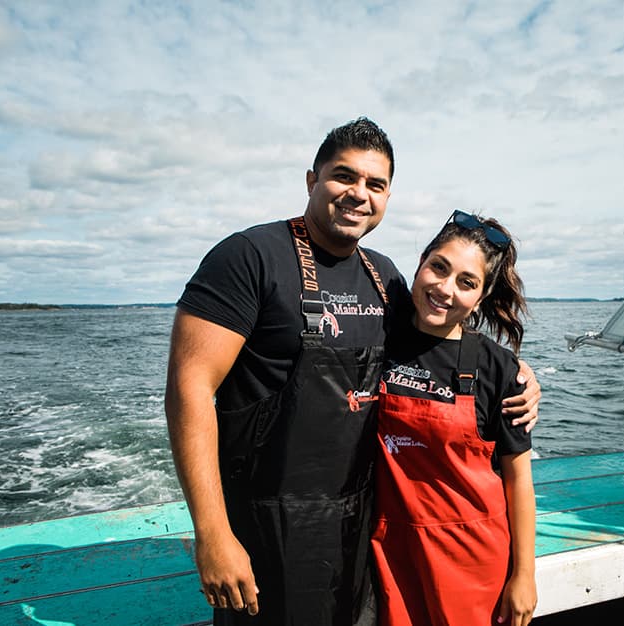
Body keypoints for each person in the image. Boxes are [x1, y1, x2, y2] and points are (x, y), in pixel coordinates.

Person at [164, 118, 540, 626]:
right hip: (265, 529)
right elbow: (189, 390)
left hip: (360, 535)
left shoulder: (383, 276)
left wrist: (517, 375)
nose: (358, 194)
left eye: (375, 184)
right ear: (311, 180)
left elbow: (441, 344)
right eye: (345, 176)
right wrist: (212, 534)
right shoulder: (249, 257)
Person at [371, 211, 537, 626]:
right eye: (438, 267)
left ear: (480, 298)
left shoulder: (499, 368)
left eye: (467, 282)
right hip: (389, 549)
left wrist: (524, 575)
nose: (444, 289)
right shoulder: (376, 338)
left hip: (472, 560)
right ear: (420, 263)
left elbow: (518, 481)